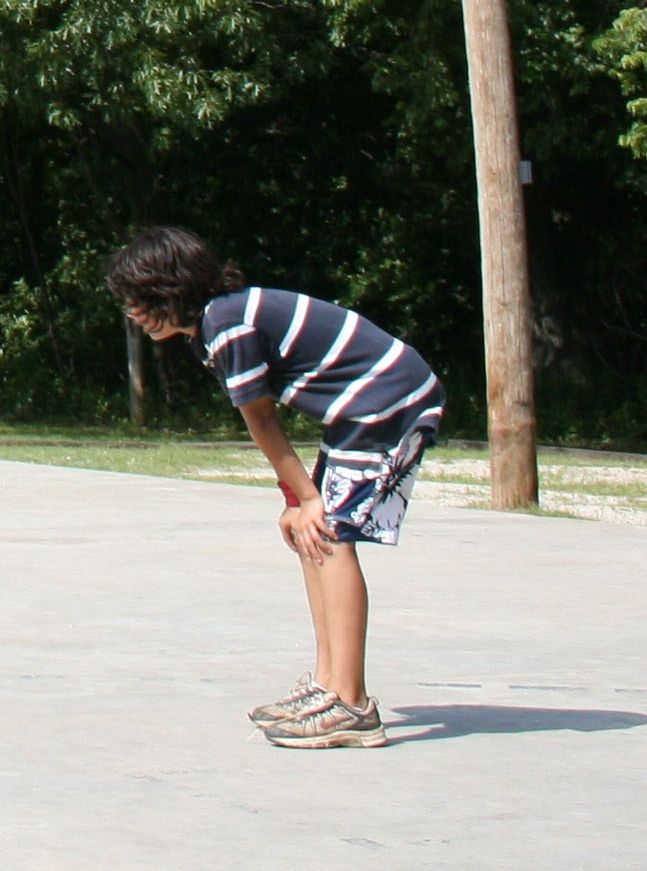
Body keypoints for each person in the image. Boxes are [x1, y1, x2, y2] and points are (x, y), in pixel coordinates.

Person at [107, 223, 444, 750]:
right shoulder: (215, 325)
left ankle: (352, 706)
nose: (132, 312)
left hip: (386, 401)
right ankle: (327, 685)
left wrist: (309, 500)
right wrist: (297, 502)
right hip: (360, 410)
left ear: (170, 290)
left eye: (138, 299)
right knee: (314, 536)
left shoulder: (227, 324)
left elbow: (262, 421)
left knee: (330, 535)